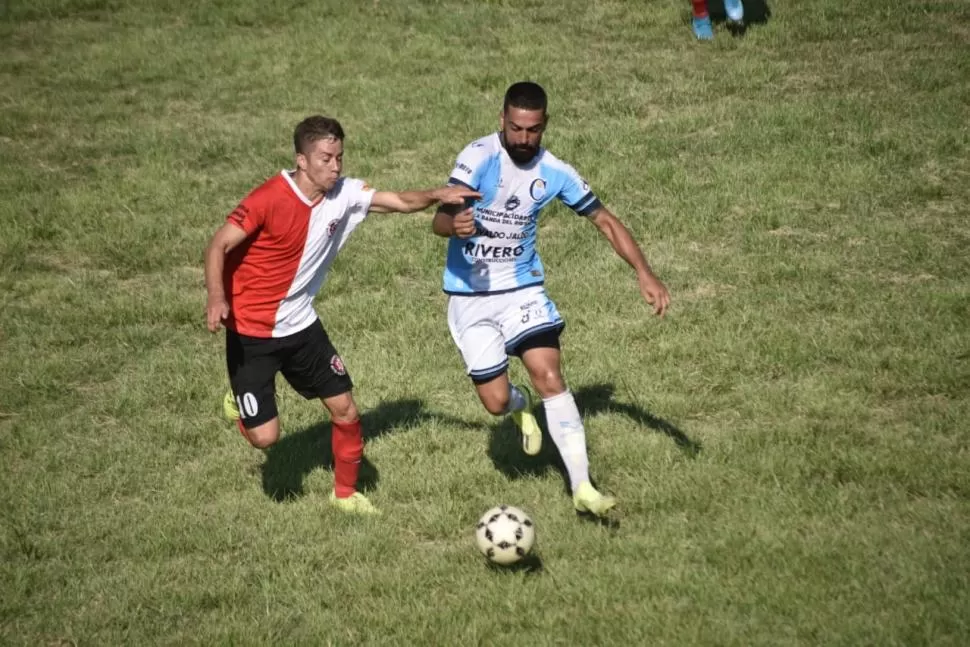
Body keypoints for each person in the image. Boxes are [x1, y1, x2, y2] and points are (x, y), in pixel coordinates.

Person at [205, 115, 479, 515]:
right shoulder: (267, 198)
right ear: (301, 160)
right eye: (326, 158)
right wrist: (216, 297)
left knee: (346, 409)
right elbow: (217, 245)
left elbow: (399, 201)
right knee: (265, 438)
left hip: (301, 325)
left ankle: (345, 495)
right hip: (252, 333)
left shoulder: (345, 193)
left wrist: (438, 194)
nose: (335, 166)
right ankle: (241, 401)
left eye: (339, 157)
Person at [432, 82, 671, 517]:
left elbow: (605, 221)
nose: (524, 139)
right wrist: (456, 226)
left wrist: (644, 272)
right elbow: (440, 221)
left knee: (549, 375)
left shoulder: (556, 170)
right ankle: (520, 404)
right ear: (502, 120)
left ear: (545, 125)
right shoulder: (478, 156)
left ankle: (583, 487)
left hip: (523, 288)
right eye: (517, 128)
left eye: (534, 130)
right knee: (496, 403)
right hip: (471, 296)